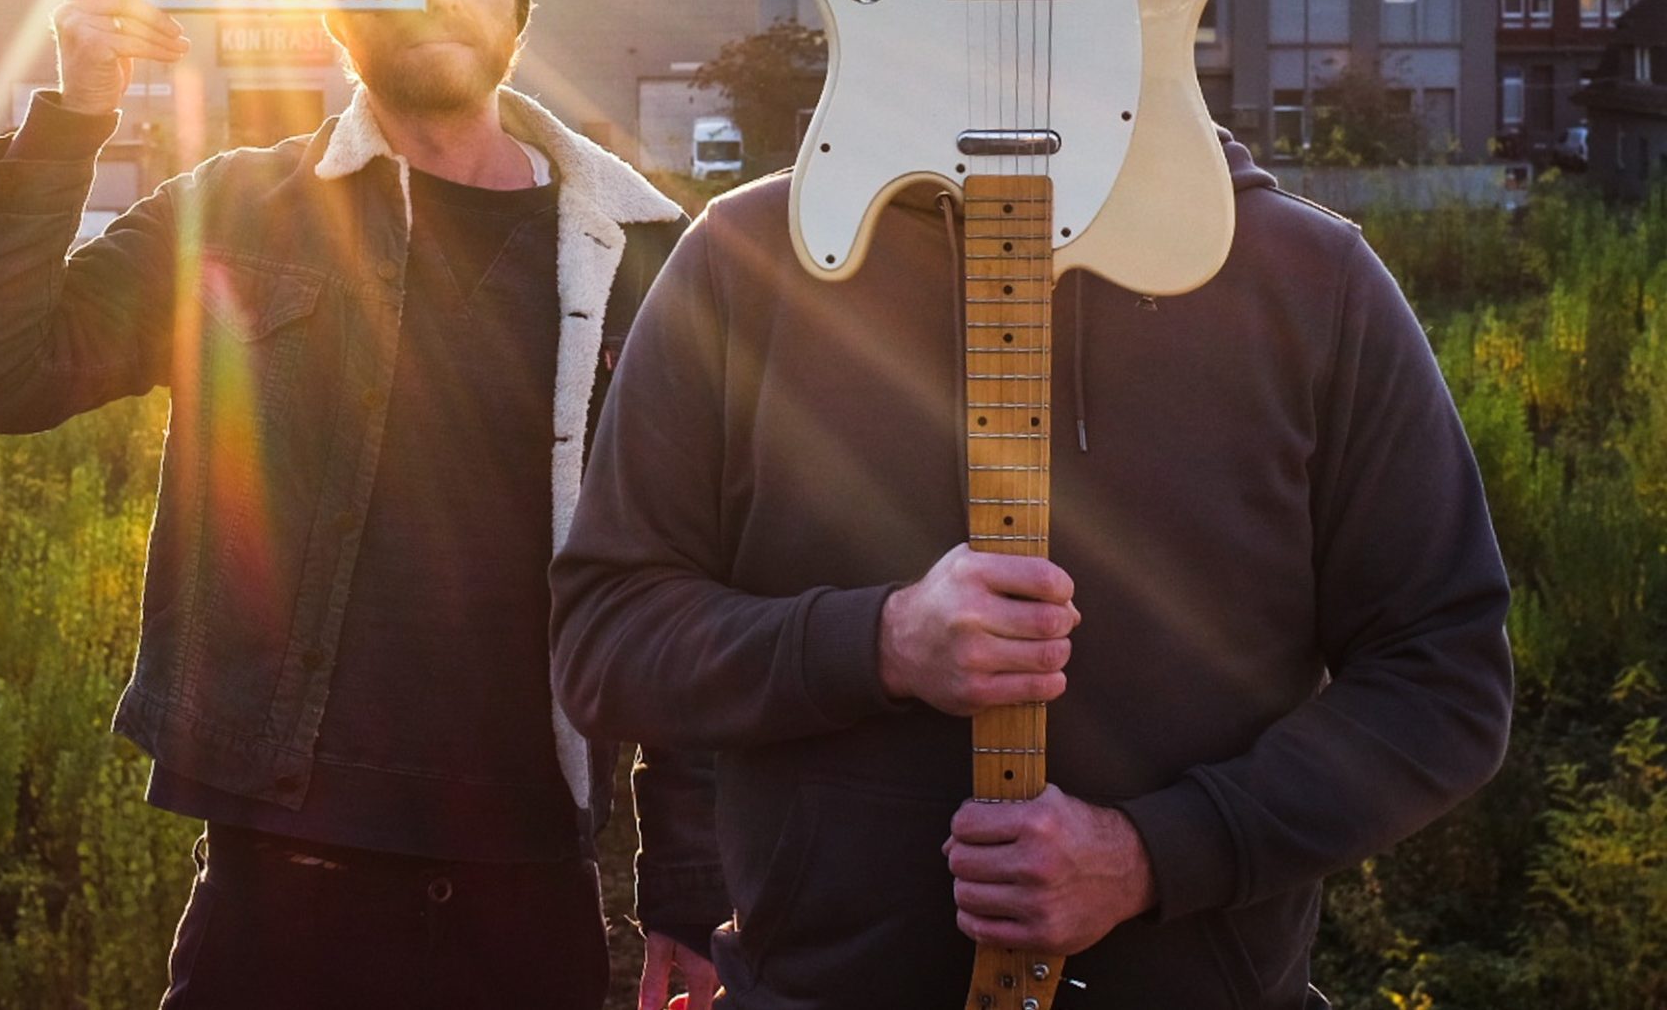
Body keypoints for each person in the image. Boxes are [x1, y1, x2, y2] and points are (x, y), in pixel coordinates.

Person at [0, 0, 724, 1010]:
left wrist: (690, 892)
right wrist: (75, 110)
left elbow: (686, 585)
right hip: (282, 894)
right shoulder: (236, 214)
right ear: (341, 11)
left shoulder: (645, 259)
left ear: (520, 8)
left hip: (532, 897)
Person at [549, 129, 1514, 1008]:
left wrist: (1153, 855)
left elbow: (1447, 675)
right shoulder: (747, 256)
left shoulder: (1309, 276)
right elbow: (604, 637)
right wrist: (879, 641)